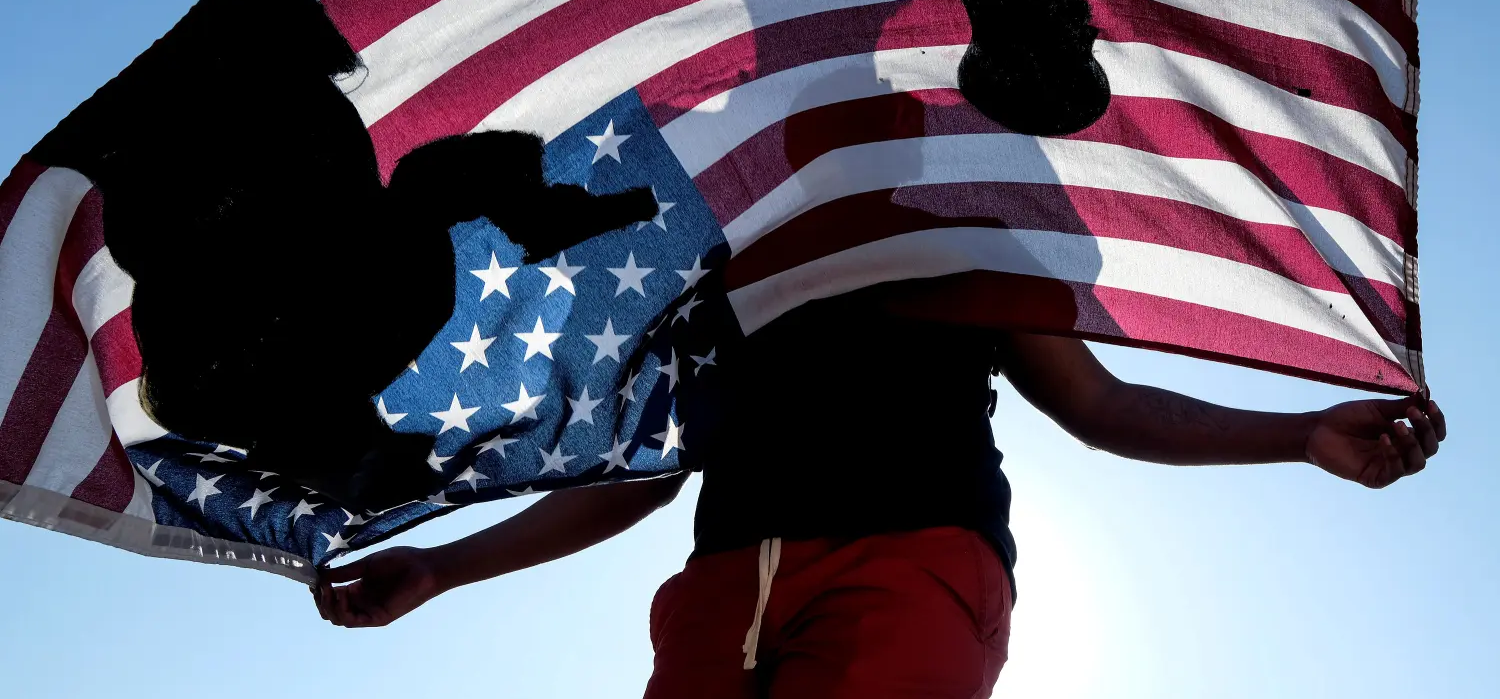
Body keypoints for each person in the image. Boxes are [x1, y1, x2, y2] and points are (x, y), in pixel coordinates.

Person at [312, 287, 1445, 699]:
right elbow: (644, 476)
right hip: (716, 588)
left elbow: (1100, 406)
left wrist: (1301, 432)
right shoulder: (723, 264)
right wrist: (444, 564)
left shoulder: (967, 228)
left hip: (910, 561)